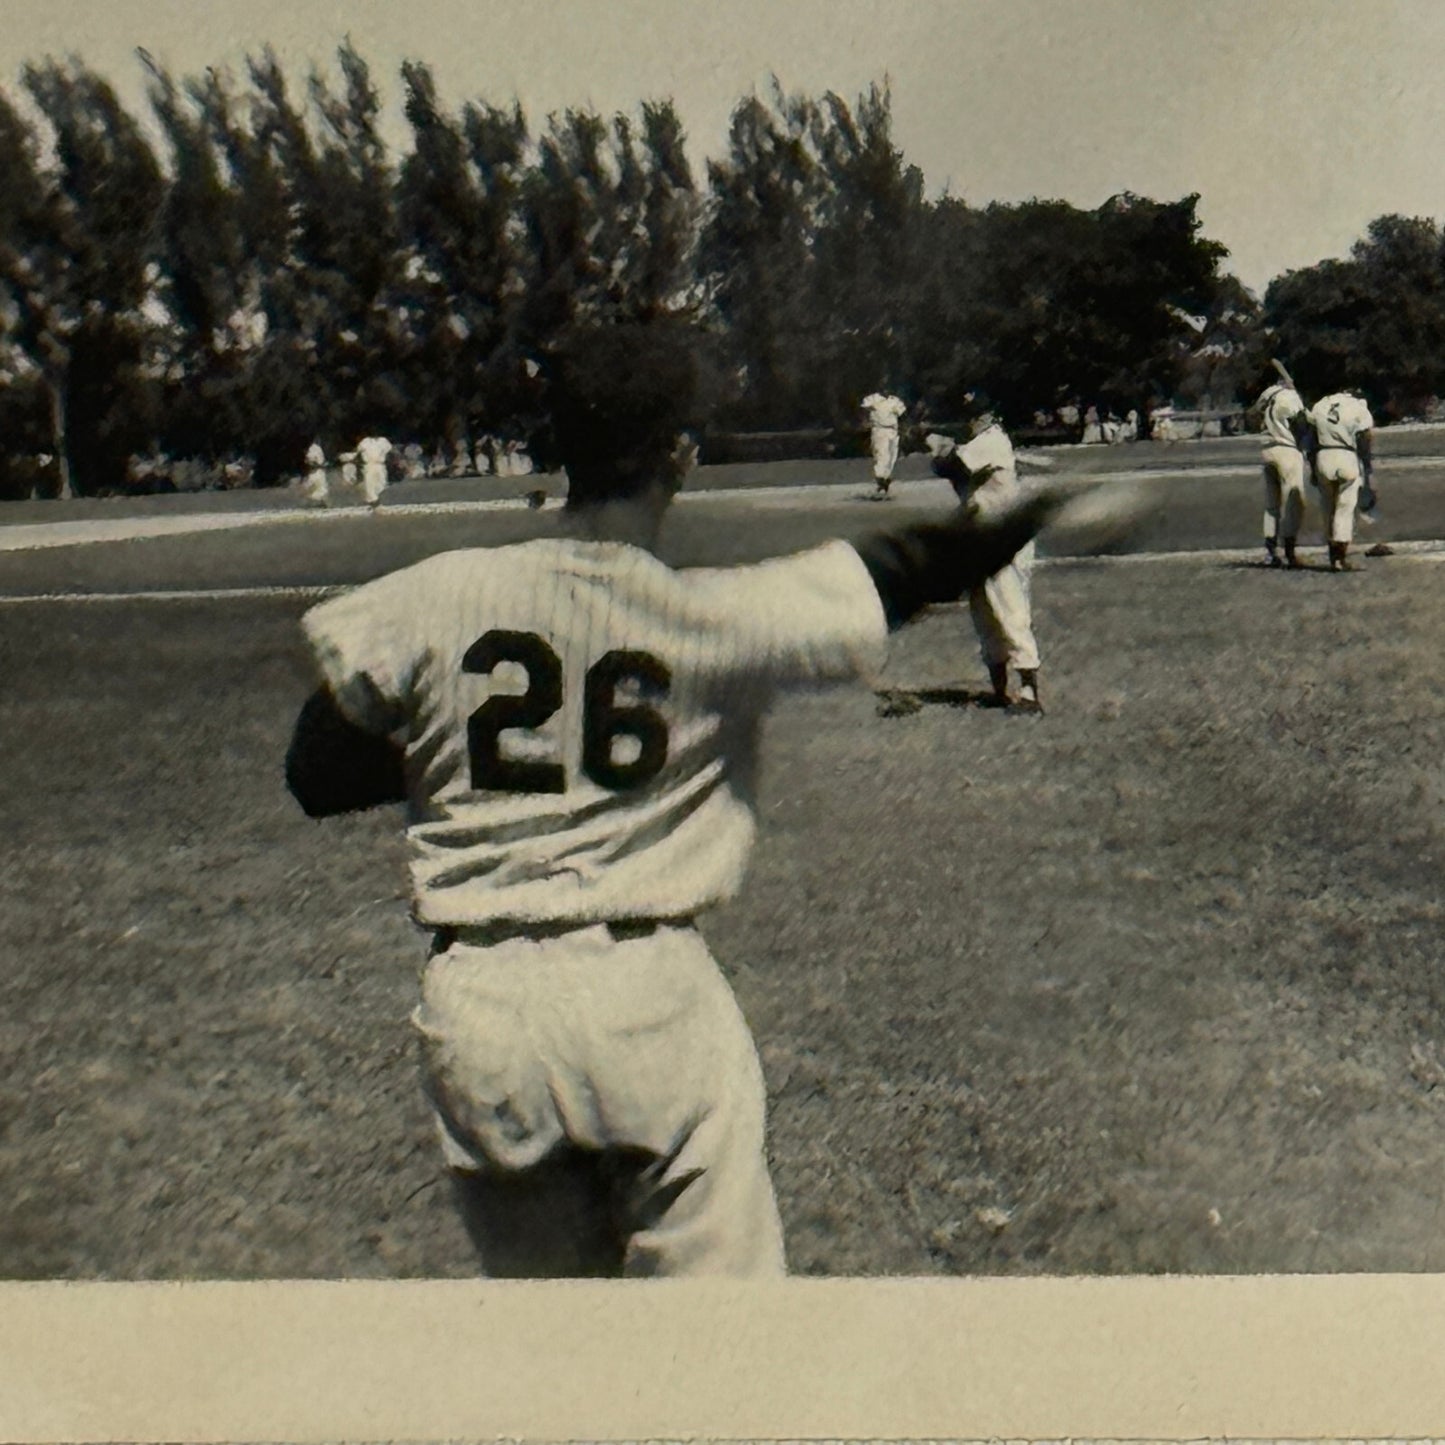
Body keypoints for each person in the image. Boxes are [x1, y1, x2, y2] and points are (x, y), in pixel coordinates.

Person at [283, 323, 1123, 1278]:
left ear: (557, 446)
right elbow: (906, 566)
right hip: (647, 999)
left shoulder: (434, 596)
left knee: (557, 1364)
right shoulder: (708, 614)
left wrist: (479, 760)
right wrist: (1037, 505)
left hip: (481, 1016)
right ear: (681, 454)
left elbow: (315, 771)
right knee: (724, 1359)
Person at [925, 393, 1043, 712]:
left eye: (975, 415)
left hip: (1005, 539)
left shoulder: (991, 441)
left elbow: (955, 467)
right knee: (985, 616)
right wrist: (939, 449)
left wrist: (937, 446)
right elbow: (949, 469)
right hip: (978, 539)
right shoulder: (976, 441)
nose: (971, 420)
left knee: (1011, 612)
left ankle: (1030, 693)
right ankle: (1001, 691)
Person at [1308, 388, 1376, 571]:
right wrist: (1367, 468)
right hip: (1346, 456)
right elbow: (1365, 439)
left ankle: (1332, 557)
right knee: (1345, 509)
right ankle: (1340, 558)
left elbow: (1311, 441)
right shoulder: (1357, 406)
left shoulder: (1320, 405)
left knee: (1327, 508)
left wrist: (1313, 469)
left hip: (1323, 455)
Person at [1254, 369, 1310, 568]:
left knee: (1272, 505)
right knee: (1295, 501)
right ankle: (1290, 551)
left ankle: (1270, 552)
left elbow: (1253, 414)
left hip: (1266, 448)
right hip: (1286, 449)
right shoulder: (1290, 396)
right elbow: (1300, 426)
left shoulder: (1267, 395)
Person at [860, 389, 907, 498]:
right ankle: (880, 481)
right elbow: (863, 409)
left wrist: (902, 429)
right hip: (879, 430)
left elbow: (902, 414)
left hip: (893, 430)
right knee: (882, 455)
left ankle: (885, 484)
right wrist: (865, 421)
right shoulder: (873, 398)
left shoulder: (894, 400)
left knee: (892, 457)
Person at [357, 434, 393, 509]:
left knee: (382, 483)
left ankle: (371, 499)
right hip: (369, 465)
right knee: (370, 483)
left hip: (380, 464)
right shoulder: (365, 441)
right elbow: (358, 451)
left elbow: (389, 451)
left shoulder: (383, 441)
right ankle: (374, 500)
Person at [303, 440, 328, 507]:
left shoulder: (316, 448)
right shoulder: (310, 449)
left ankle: (322, 503)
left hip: (318, 472)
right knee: (310, 488)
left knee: (322, 489)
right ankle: (312, 503)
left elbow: (320, 462)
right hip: (312, 473)